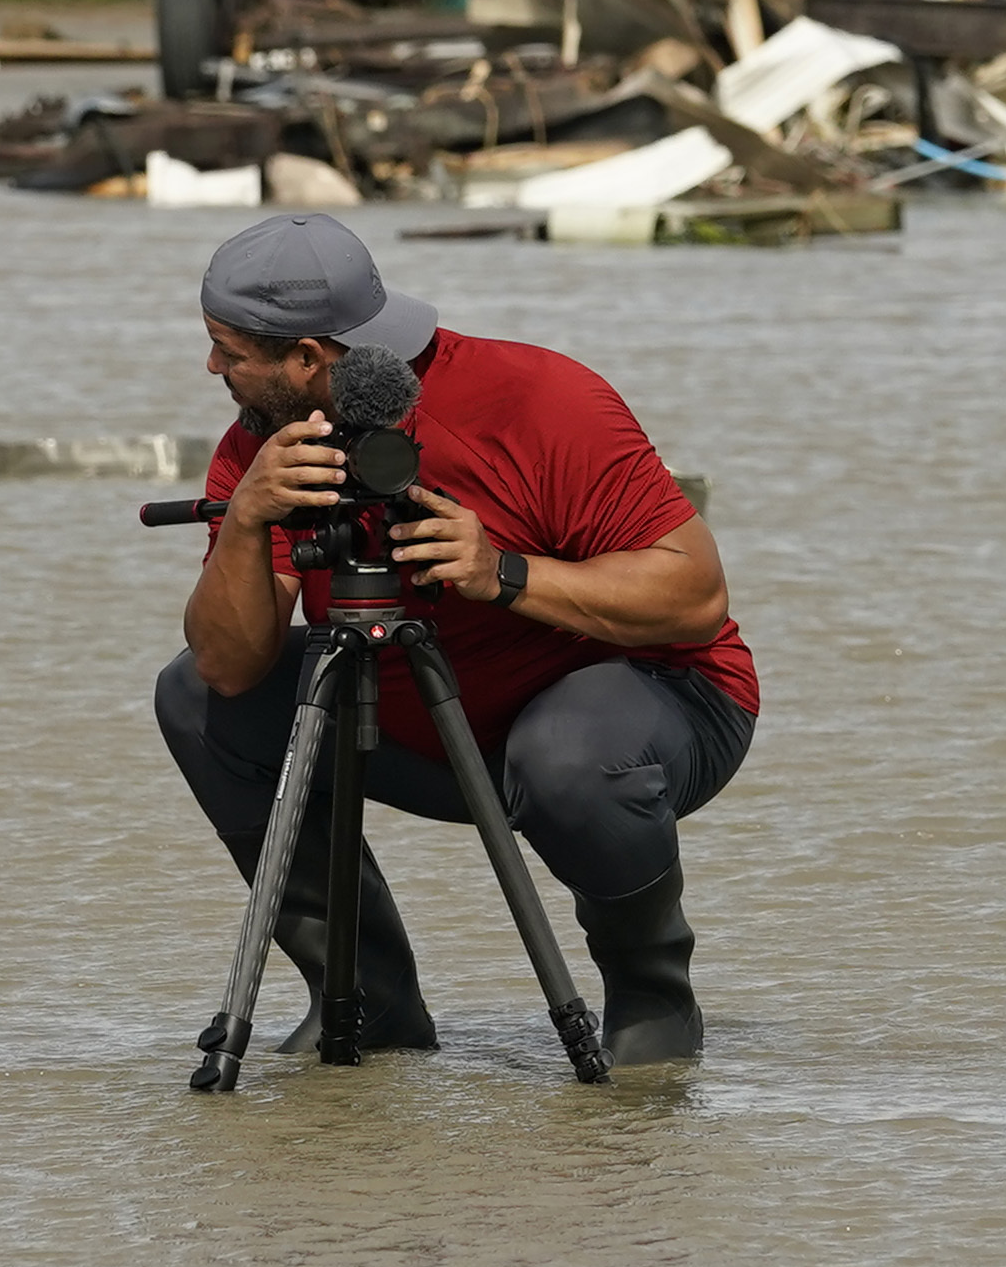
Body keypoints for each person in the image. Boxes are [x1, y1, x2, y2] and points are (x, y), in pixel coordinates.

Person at [153, 213, 750, 1061]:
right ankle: (365, 1006)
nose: (213, 366)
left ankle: (652, 1000)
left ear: (308, 357)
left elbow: (696, 597)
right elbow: (226, 664)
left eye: (227, 349)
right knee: (192, 697)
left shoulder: (536, 397)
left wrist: (502, 573)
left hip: (651, 712)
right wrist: (248, 518)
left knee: (566, 748)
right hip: (439, 731)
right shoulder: (264, 444)